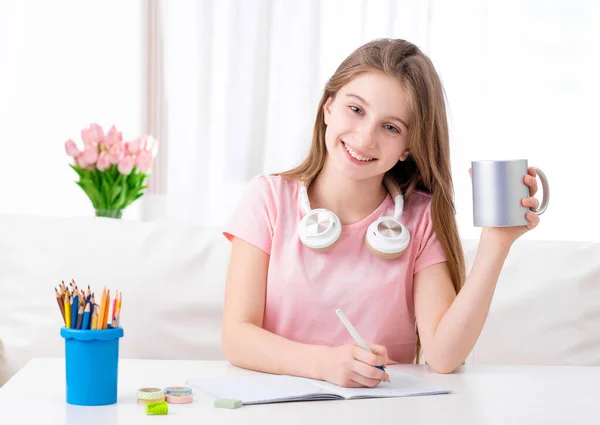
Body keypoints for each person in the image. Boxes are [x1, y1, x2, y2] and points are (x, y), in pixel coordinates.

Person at [220, 38, 541, 388]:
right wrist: (324, 363)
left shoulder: (420, 219)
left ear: (407, 148)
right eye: (356, 110)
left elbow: (444, 356)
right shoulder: (268, 198)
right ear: (328, 107)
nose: (365, 137)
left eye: (391, 128)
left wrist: (496, 243)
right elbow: (237, 337)